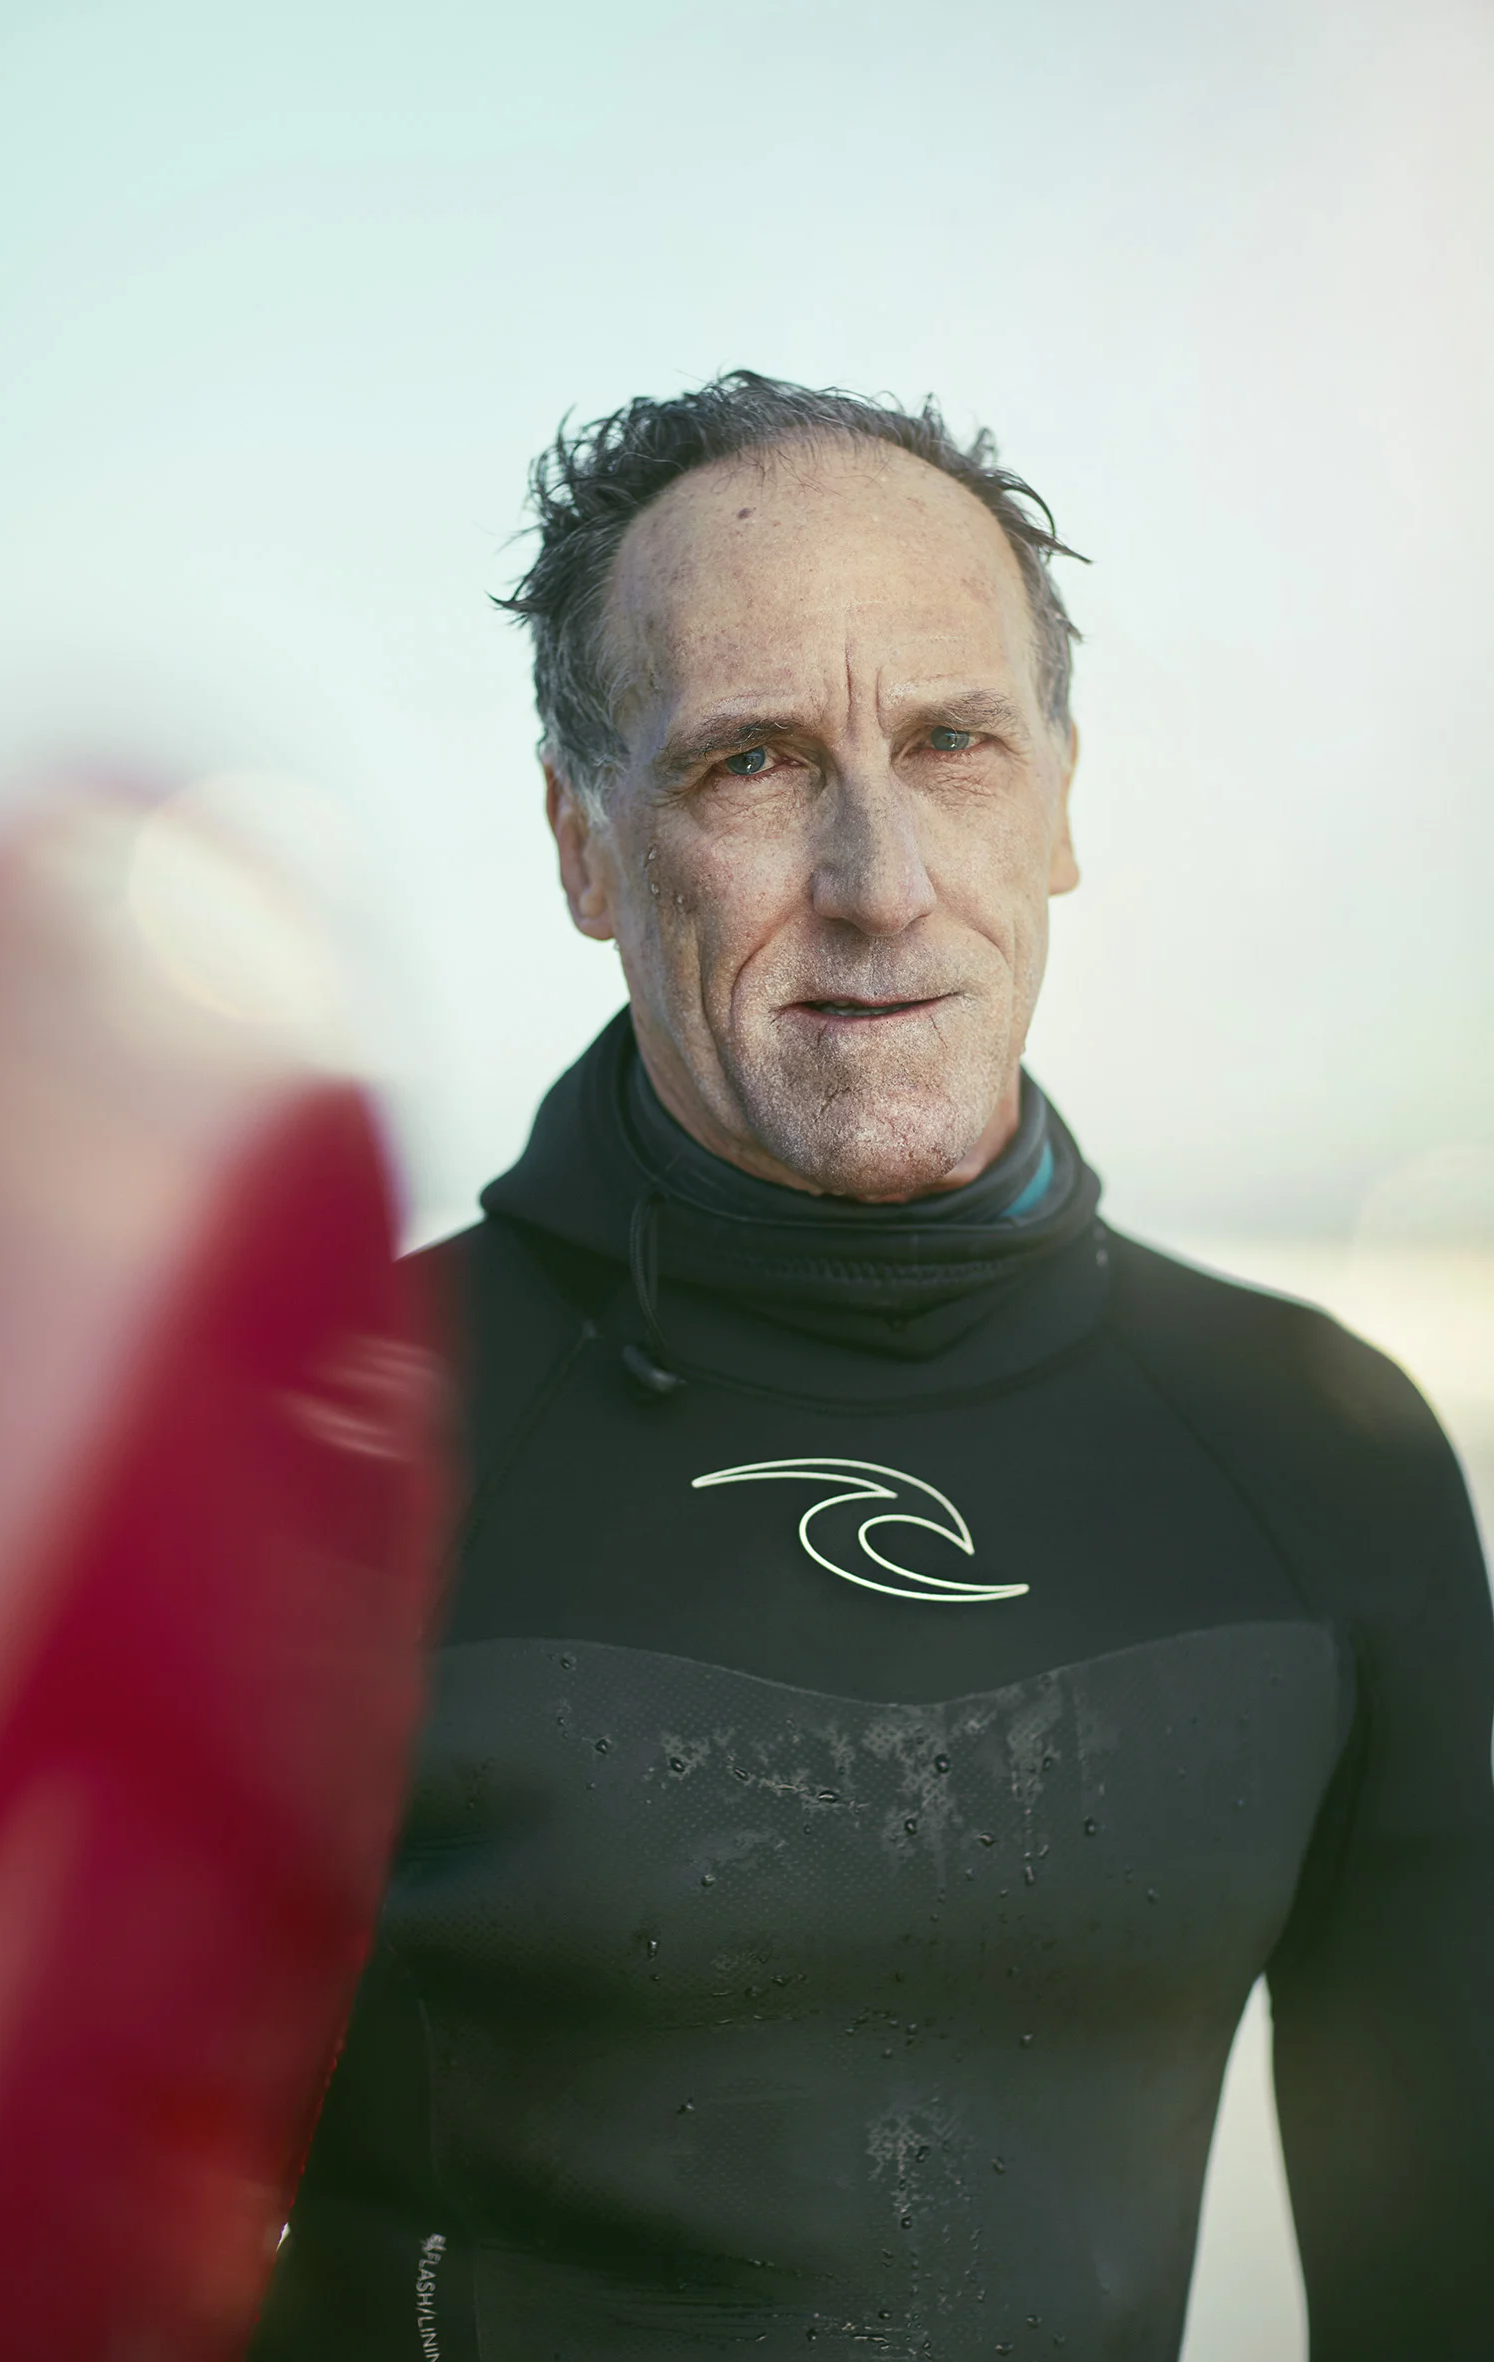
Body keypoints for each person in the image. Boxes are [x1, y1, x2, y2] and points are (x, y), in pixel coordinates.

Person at [251, 372, 1494, 2361]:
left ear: (1060, 798)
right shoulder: (321, 1447)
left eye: (951, 743)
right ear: (583, 844)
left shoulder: (1312, 1456)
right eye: (751, 761)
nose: (879, 878)